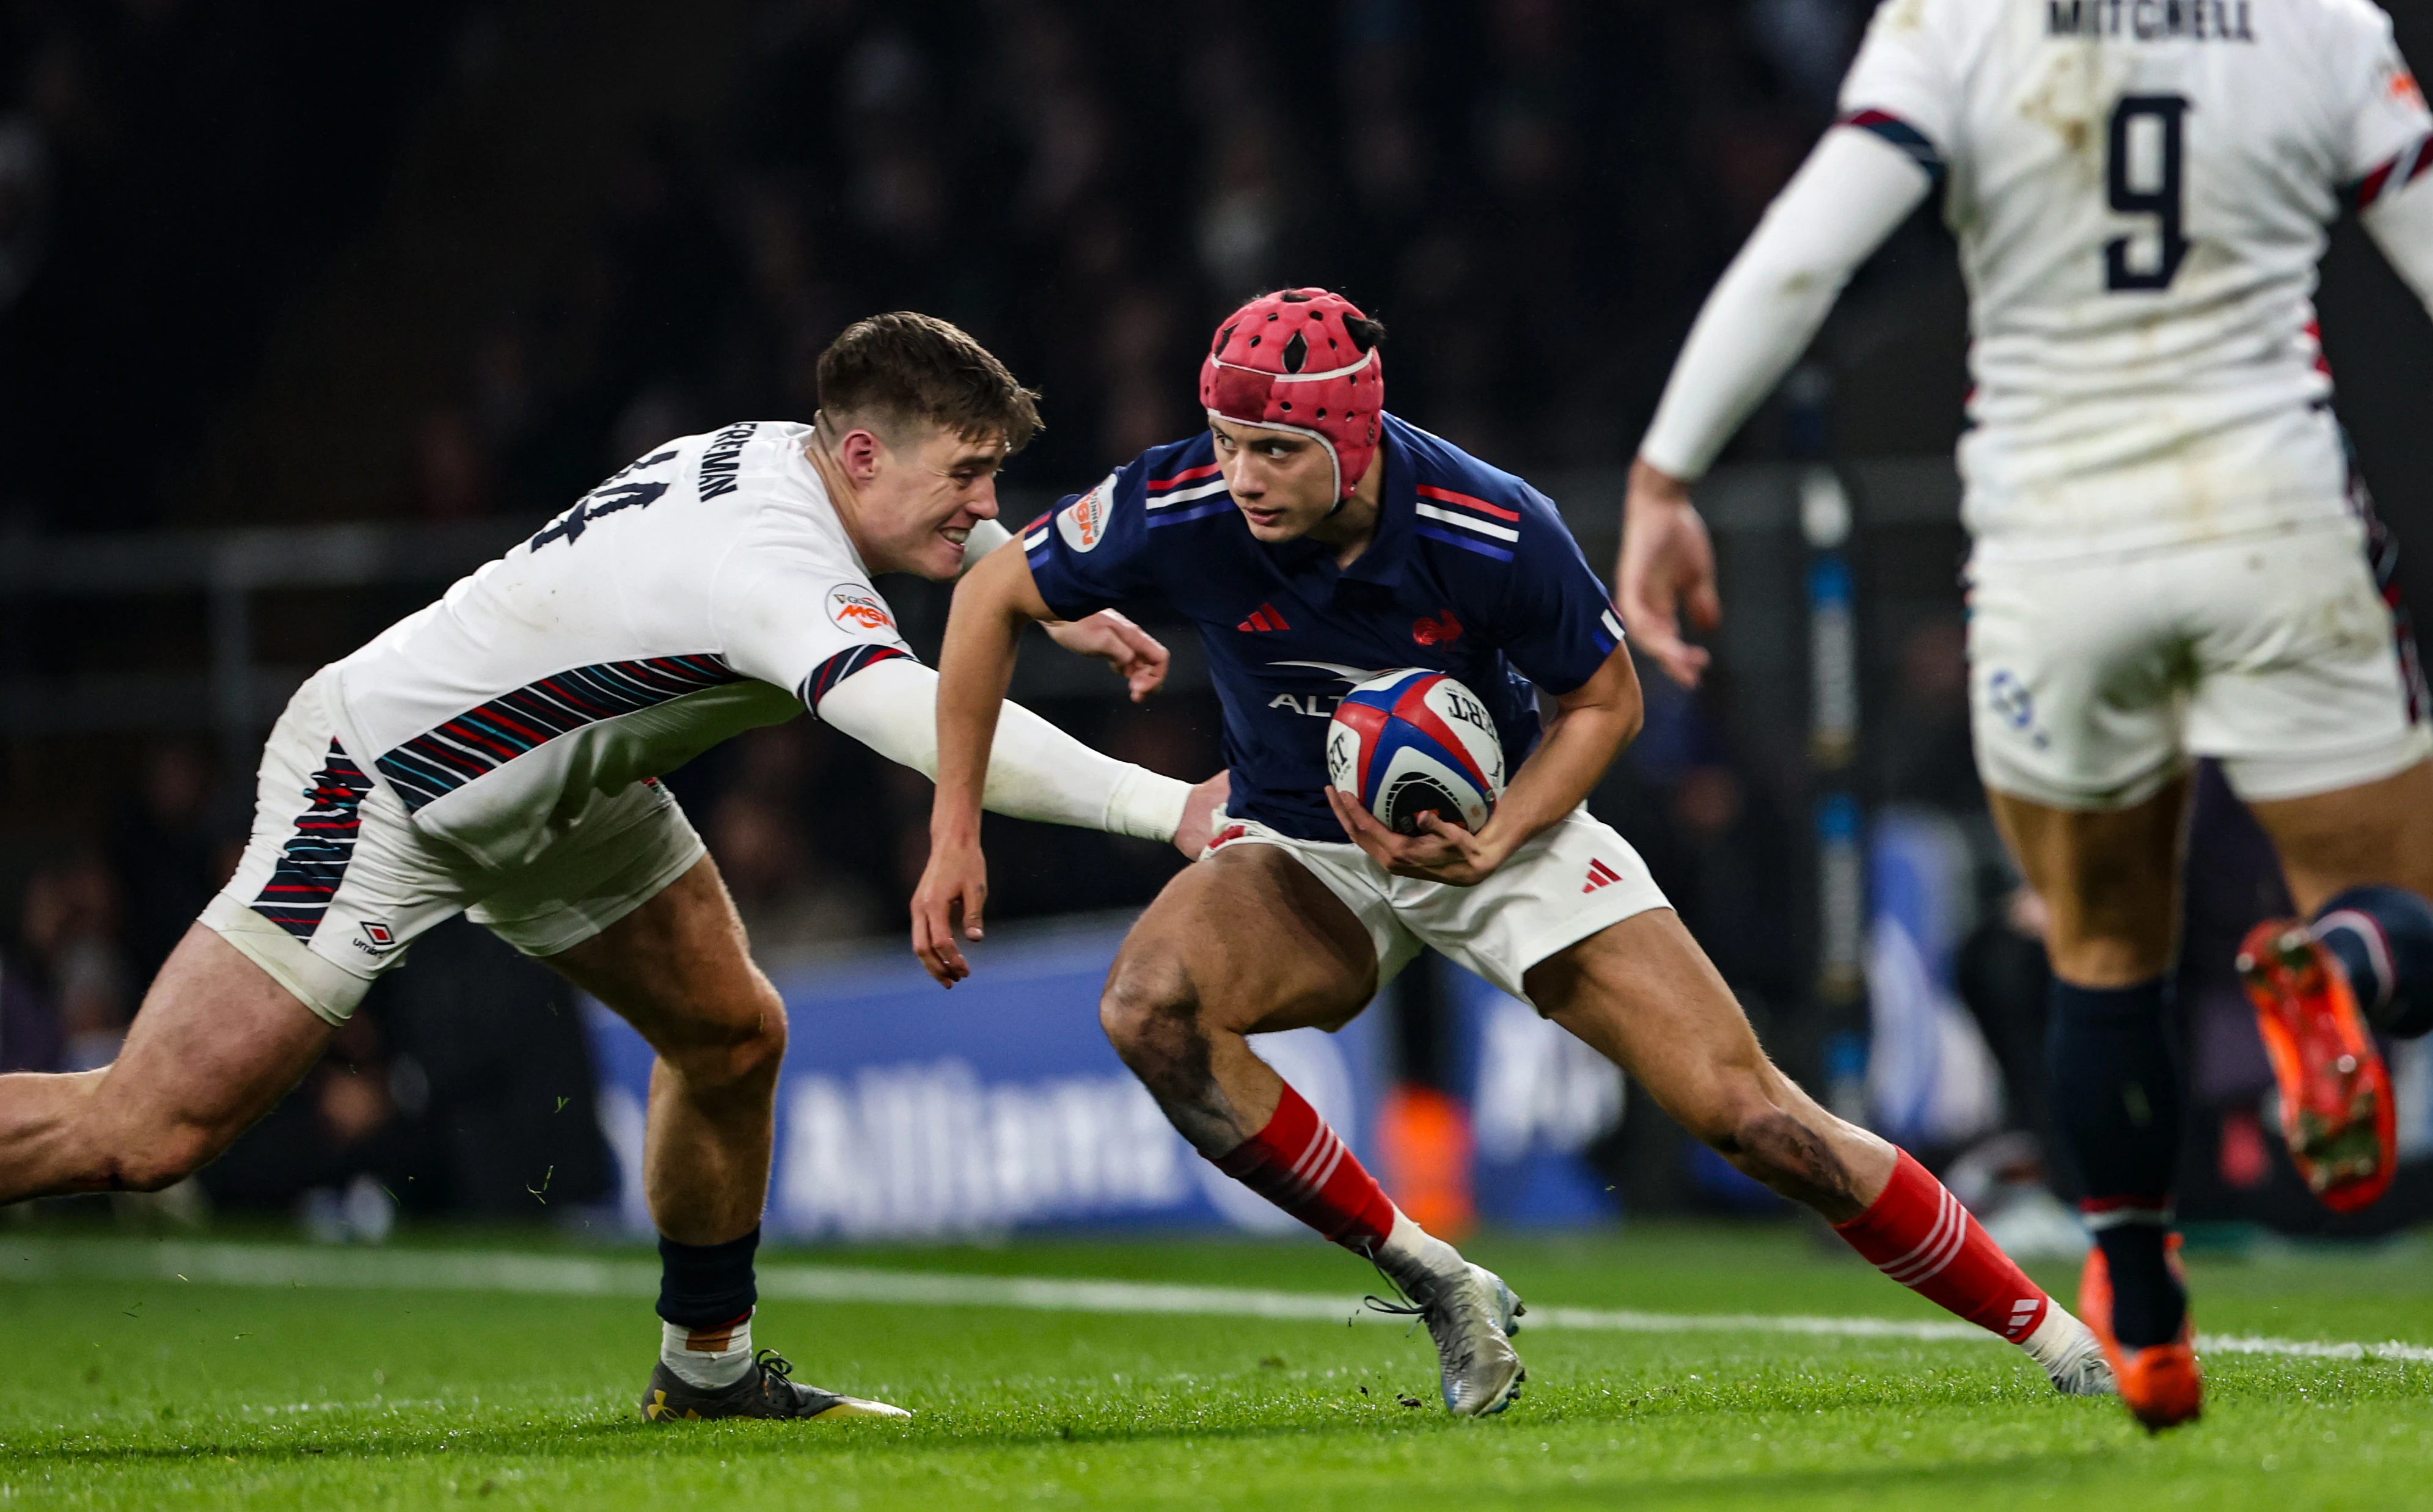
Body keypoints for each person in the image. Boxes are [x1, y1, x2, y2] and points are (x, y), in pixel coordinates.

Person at [0, 312, 1224, 1424]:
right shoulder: (771, 569)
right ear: (860, 459)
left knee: (732, 1035)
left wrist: (1032, 588)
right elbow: (929, 721)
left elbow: (949, 532)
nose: (982, 500)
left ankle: (706, 1372)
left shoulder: (790, 455)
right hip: (383, 785)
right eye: (965, 476)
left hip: (569, 795)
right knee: (148, 1130)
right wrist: (1164, 806)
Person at [912, 287, 2113, 1418]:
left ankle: (2055, 1339)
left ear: (1354, 428)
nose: (1239, 475)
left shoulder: (1488, 521)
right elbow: (988, 600)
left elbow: (1603, 702)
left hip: (1502, 832)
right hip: (1298, 844)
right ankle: (1434, 1275)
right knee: (1147, 1012)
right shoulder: (1174, 500)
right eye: (1223, 440)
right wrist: (954, 829)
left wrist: (1504, 831)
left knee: (1755, 1121)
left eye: (1273, 449)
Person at [1613, 0, 2433, 1430]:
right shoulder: (2322, 21)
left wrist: (1664, 473)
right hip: (2275, 520)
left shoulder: (1958, 22)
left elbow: (1808, 252)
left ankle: (2143, 1305)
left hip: (2052, 554)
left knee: (2096, 943)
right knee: (2401, 896)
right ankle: (2345, 972)